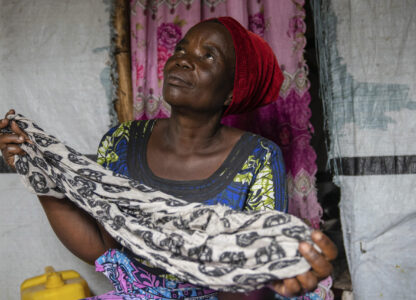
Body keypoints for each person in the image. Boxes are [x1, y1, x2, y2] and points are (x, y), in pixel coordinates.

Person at [0, 17, 336, 300]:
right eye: (181, 49)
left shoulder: (257, 157)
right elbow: (103, 247)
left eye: (208, 56)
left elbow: (254, 265)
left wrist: (275, 268)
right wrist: (37, 174)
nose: (183, 60)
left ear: (234, 90)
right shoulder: (121, 142)